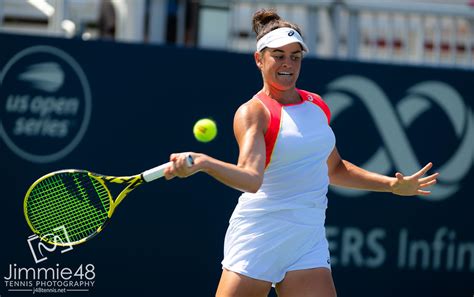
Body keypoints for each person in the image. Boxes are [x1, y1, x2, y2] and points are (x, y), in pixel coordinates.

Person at [164, 8, 439, 297]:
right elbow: (250, 178)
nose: (288, 64)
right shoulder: (253, 113)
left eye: (295, 56)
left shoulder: (316, 104)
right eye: (278, 55)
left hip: (307, 237)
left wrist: (393, 186)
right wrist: (205, 163)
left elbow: (334, 169)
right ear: (259, 59)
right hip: (260, 235)